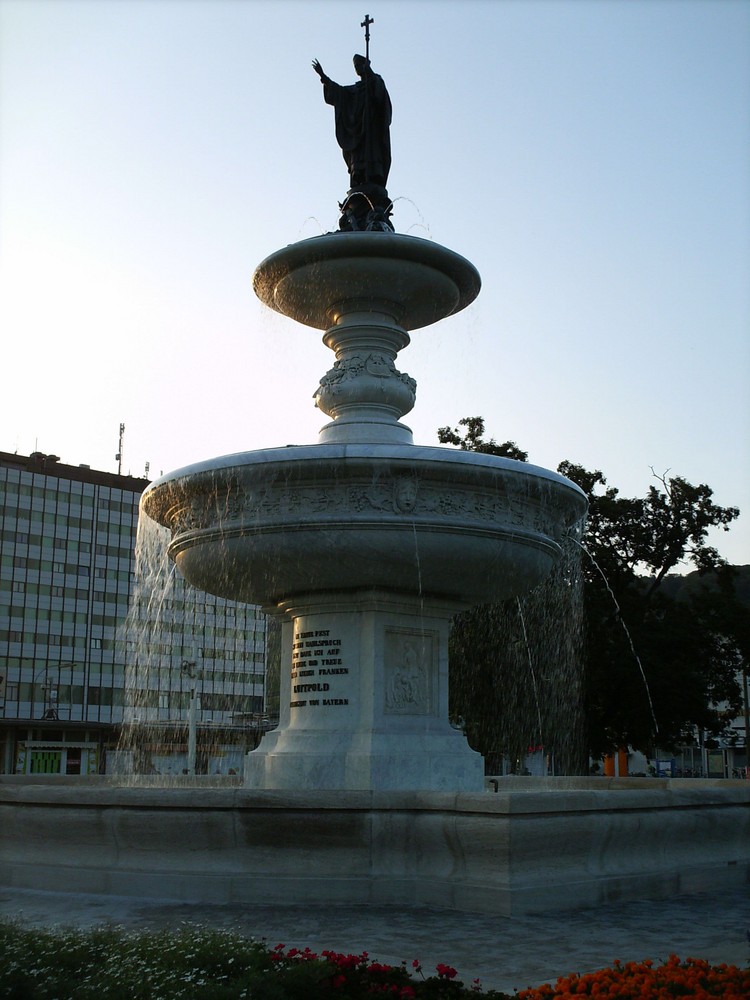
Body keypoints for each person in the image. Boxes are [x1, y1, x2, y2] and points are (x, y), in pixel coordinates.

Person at [312, 54, 392, 189]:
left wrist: (371, 74)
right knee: (358, 158)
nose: (357, 69)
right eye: (355, 67)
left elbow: (381, 99)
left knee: (372, 154)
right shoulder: (354, 90)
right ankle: (358, 177)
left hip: (371, 131)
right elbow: (340, 93)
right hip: (358, 136)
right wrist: (324, 77)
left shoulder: (375, 82)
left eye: (359, 66)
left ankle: (373, 176)